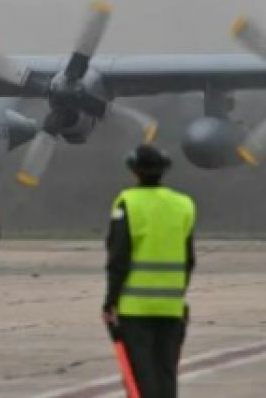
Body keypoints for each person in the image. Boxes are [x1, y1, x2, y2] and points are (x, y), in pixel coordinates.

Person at [102, 144, 196, 398]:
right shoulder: (183, 205)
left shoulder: (128, 203)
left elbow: (118, 258)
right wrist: (178, 295)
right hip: (171, 308)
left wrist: (110, 301)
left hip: (135, 310)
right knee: (166, 375)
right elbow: (188, 260)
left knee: (140, 378)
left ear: (135, 171)